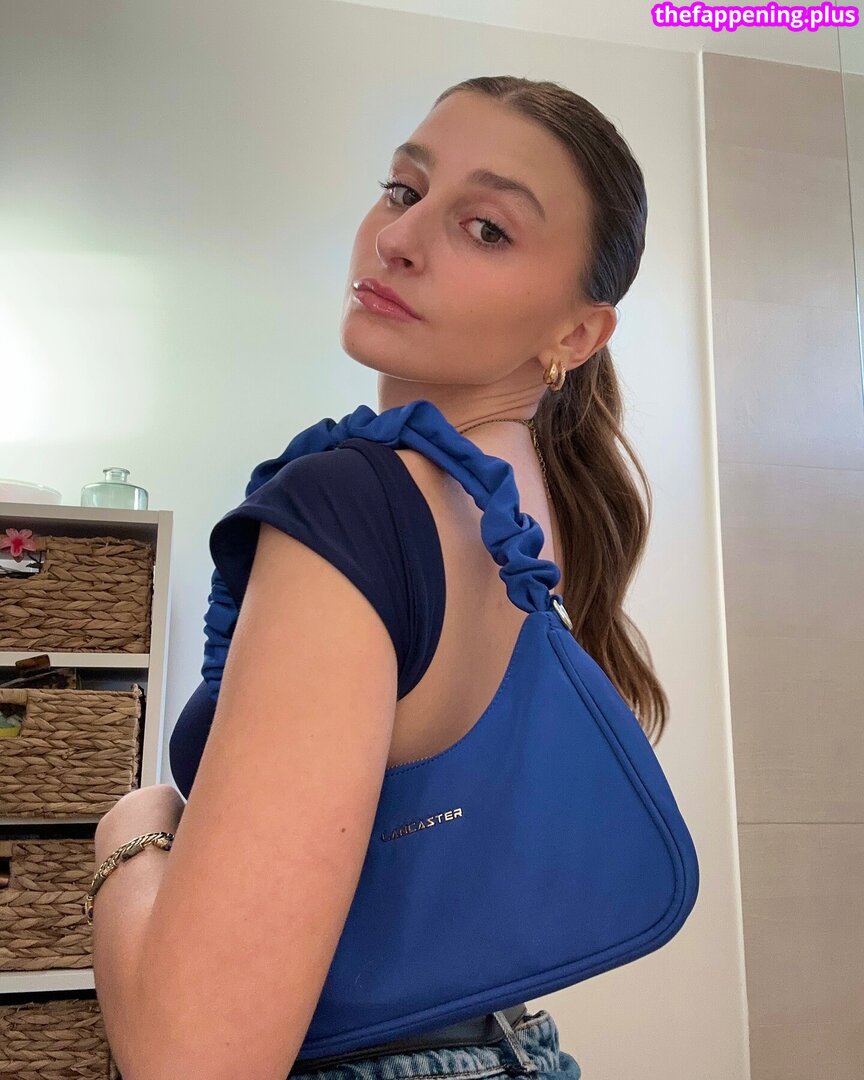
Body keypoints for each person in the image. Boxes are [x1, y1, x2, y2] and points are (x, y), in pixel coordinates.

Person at [168, 74, 666, 1080]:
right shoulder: (531, 503)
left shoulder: (358, 500)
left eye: (486, 228)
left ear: (576, 335)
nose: (396, 238)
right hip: (512, 1049)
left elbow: (196, 1060)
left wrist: (129, 834)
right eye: (404, 189)